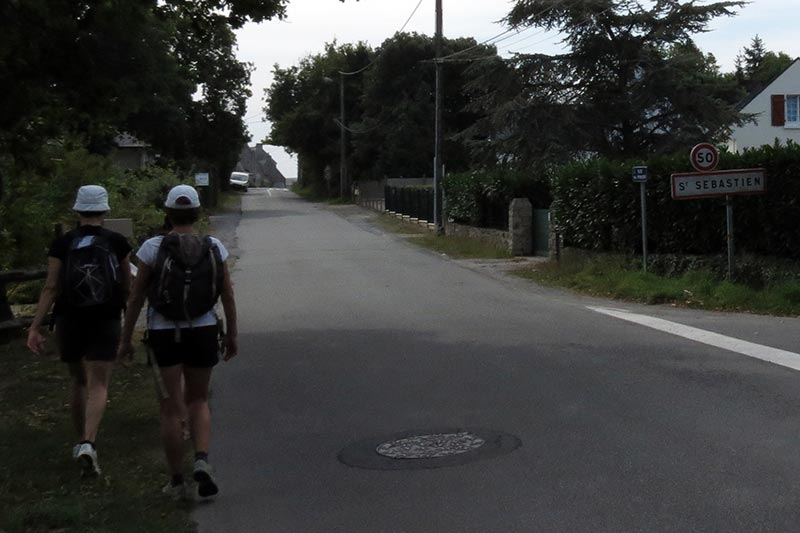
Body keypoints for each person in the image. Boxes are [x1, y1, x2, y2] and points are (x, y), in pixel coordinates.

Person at [118, 184, 238, 500]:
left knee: (170, 408)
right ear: (197, 212)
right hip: (203, 329)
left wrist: (125, 339)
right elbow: (226, 293)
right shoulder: (214, 246)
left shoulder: (152, 248)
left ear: (168, 213)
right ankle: (201, 459)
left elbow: (135, 298)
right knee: (198, 400)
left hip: (164, 332)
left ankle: (175, 481)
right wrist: (232, 335)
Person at [27, 185, 132, 477]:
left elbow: (51, 286)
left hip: (69, 319)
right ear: (105, 209)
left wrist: (36, 326)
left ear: (77, 210)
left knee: (78, 380)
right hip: (106, 317)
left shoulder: (62, 243)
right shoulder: (116, 241)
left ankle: (80, 442)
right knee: (99, 383)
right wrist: (126, 312)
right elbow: (126, 283)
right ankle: (89, 441)